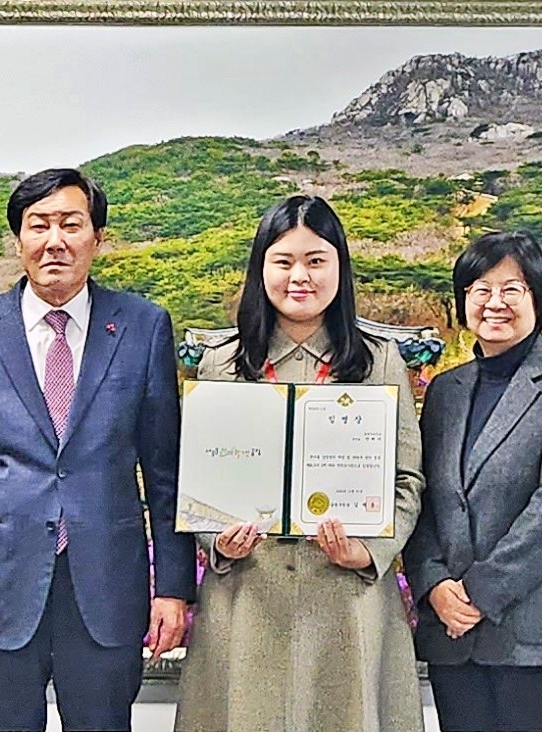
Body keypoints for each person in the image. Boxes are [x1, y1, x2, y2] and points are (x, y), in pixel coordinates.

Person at [0, 168, 197, 732]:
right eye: (38, 225)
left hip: (105, 585)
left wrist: (172, 587)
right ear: (18, 240)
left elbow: (165, 471)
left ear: (97, 238)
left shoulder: (144, 327)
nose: (55, 240)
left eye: (71, 224)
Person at [174, 195, 425, 732]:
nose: (300, 276)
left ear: (340, 267)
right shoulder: (223, 361)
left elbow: (407, 480)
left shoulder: (379, 361)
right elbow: (197, 479)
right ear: (261, 266)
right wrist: (216, 540)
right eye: (283, 260)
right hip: (247, 598)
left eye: (316, 260)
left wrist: (369, 551)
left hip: (347, 601)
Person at [403, 231, 542, 732]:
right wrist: (433, 586)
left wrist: (478, 593)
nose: (494, 303)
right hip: (456, 640)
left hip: (536, 640)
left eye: (511, 289)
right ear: (463, 302)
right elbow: (422, 497)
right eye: (480, 289)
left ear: (539, 300)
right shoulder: (446, 392)